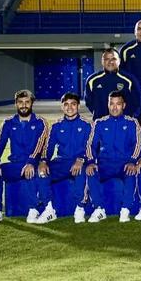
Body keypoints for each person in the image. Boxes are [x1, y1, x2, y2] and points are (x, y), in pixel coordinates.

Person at [0, 90, 49, 225]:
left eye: (27, 102)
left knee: (30, 171)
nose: (24, 105)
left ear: (32, 103)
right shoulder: (8, 122)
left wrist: (31, 162)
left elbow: (40, 145)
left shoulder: (41, 122)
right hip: (15, 164)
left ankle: (33, 209)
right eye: (20, 102)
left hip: (33, 163)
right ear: (16, 104)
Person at [84, 91, 141, 223]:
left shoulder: (132, 123)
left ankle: (125, 210)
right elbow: (90, 145)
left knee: (131, 173)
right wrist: (91, 161)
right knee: (91, 172)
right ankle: (99, 209)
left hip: (124, 164)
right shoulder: (99, 123)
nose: (115, 107)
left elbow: (138, 144)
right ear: (108, 105)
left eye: (118, 104)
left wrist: (132, 161)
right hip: (105, 165)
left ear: (124, 105)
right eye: (112, 104)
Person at [37, 92, 92, 224]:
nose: (69, 107)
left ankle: (80, 208)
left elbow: (91, 147)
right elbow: (48, 147)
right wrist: (43, 161)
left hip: (80, 161)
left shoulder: (87, 125)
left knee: (81, 172)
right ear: (62, 107)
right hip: (61, 162)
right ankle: (49, 210)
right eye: (66, 104)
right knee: (42, 172)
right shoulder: (56, 126)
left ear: (78, 106)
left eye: (73, 104)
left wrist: (81, 159)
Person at [84, 48, 141, 119]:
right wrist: (99, 114)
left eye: (113, 59)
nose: (110, 62)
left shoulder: (130, 79)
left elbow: (138, 102)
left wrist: (130, 118)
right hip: (101, 122)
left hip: (124, 122)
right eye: (107, 59)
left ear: (119, 61)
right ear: (102, 61)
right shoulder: (92, 80)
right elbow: (89, 102)